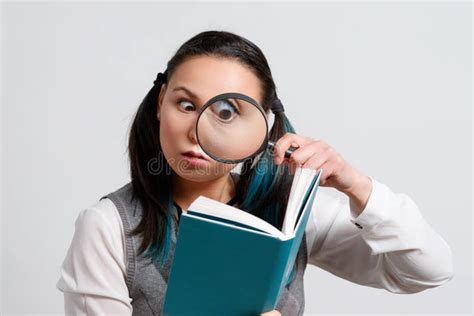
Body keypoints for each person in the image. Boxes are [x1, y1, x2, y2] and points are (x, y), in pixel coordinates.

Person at [56, 30, 454, 316]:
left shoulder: (289, 214)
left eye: (226, 112)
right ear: (161, 102)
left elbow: (428, 271)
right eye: (186, 105)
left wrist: (355, 184)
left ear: (261, 124)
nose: (198, 132)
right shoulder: (109, 227)